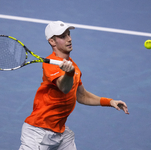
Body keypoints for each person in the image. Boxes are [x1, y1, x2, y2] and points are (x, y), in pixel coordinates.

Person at [19, 21, 129, 150]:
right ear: (52, 42)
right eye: (63, 36)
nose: (69, 39)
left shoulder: (74, 67)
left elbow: (81, 95)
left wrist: (110, 102)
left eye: (69, 34)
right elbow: (64, 88)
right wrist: (69, 74)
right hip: (38, 132)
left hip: (60, 133)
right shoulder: (49, 64)